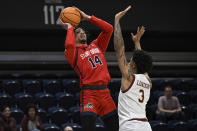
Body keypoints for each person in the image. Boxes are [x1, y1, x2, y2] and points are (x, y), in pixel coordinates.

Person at [60, 6, 118, 131]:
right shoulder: (72, 53)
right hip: (89, 94)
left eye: (83, 31)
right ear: (73, 36)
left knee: (116, 128)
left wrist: (88, 18)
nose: (81, 33)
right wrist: (70, 27)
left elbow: (109, 29)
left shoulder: (97, 45)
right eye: (77, 32)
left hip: (105, 94)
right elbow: (69, 44)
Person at [114, 6, 153, 131]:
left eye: (131, 60)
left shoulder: (128, 78)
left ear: (134, 65)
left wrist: (116, 21)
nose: (129, 61)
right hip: (146, 126)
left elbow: (119, 49)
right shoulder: (148, 81)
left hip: (130, 126)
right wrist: (137, 42)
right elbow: (141, 60)